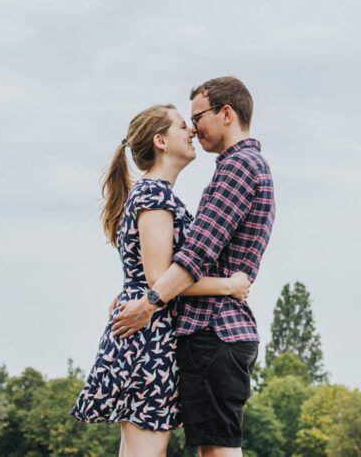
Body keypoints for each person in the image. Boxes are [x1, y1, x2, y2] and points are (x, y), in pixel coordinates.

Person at [71, 103, 252, 457]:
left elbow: (149, 275)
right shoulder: (155, 195)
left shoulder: (154, 194)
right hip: (149, 341)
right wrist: (228, 285)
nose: (192, 132)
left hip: (149, 333)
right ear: (161, 141)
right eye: (183, 126)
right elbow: (159, 280)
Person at [112, 77, 275, 457]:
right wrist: (137, 289)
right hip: (212, 330)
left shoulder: (237, 168)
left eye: (197, 117)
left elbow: (195, 254)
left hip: (214, 330)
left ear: (227, 114)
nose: (194, 127)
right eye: (186, 122)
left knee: (217, 451)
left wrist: (148, 300)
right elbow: (176, 259)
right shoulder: (237, 167)